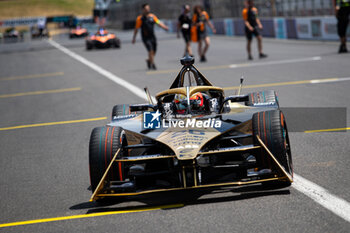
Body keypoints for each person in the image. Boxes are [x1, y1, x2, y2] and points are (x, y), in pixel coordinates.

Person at [132, 3, 169, 70]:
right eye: (146, 9)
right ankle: (153, 64)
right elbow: (136, 29)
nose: (147, 10)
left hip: (152, 36)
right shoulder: (140, 19)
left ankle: (149, 60)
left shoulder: (152, 16)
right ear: (143, 10)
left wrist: (165, 27)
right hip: (145, 37)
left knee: (154, 50)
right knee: (150, 50)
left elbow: (158, 23)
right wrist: (134, 38)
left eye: (148, 8)